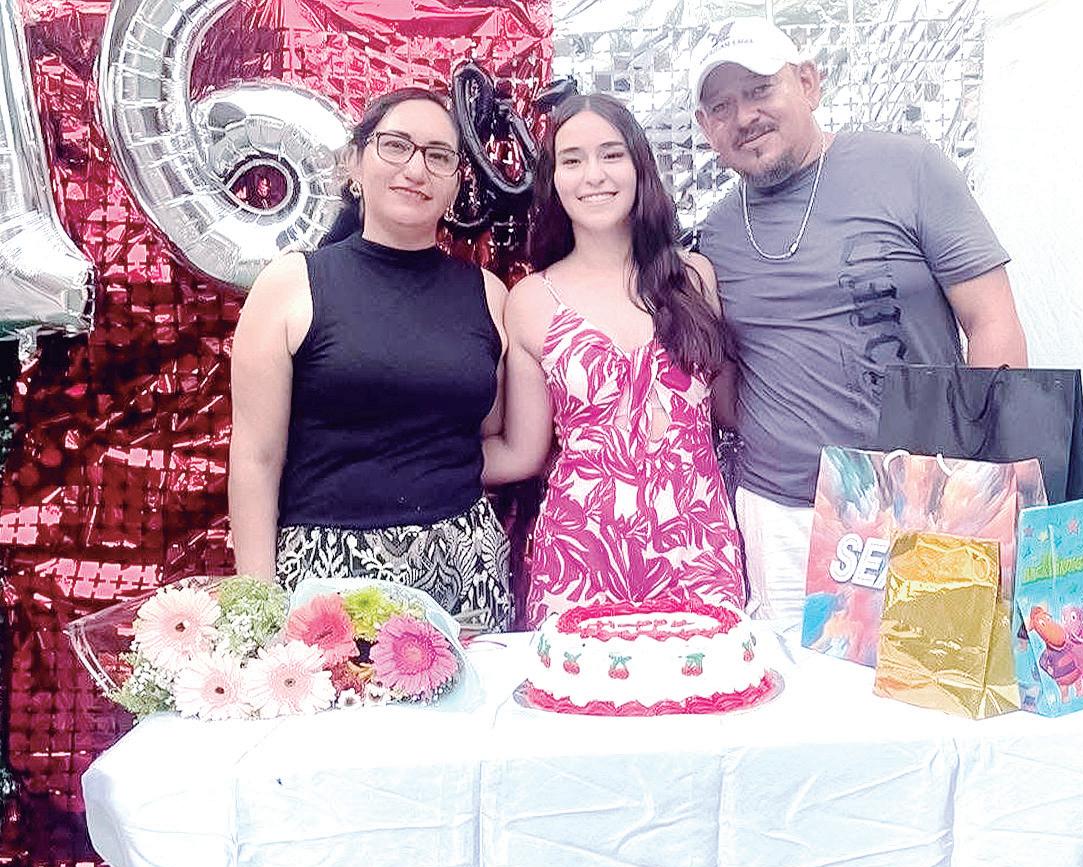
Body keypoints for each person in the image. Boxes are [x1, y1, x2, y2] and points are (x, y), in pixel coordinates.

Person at [691, 17, 1028, 629]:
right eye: (722, 106)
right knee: (796, 688)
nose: (744, 116)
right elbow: (726, 378)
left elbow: (992, 321)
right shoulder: (715, 236)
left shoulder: (909, 168)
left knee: (930, 680)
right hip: (785, 513)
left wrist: (979, 485)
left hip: (925, 503)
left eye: (761, 90)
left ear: (808, 83)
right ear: (705, 127)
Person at [228, 87, 540, 631]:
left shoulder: (489, 295)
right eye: (396, 145)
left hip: (466, 571)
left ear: (457, 182)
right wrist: (259, 608)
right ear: (355, 162)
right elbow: (256, 458)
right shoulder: (292, 284)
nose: (416, 170)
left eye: (438, 155)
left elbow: (483, 438)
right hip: (329, 576)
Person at [492, 92, 747, 627]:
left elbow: (730, 412)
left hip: (697, 549)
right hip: (579, 557)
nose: (594, 175)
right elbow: (523, 453)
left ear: (639, 166)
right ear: (553, 180)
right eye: (572, 159)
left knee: (711, 678)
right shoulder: (532, 299)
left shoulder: (693, 278)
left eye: (611, 154)